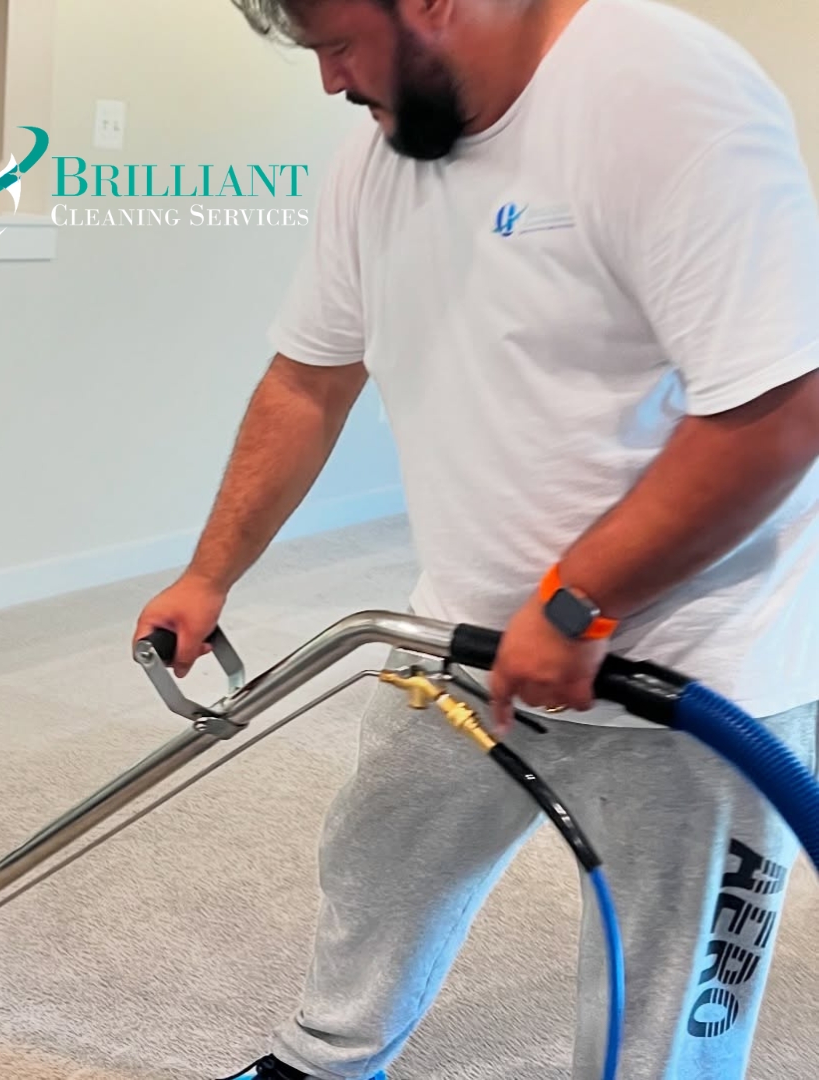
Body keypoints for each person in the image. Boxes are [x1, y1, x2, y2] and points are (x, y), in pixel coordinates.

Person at [134, 0, 819, 1076]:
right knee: (379, 860)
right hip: (459, 633)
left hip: (694, 665)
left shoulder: (666, 94)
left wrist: (578, 602)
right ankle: (324, 1061)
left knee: (671, 989)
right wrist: (208, 573)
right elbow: (309, 380)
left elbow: (775, 416)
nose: (329, 82)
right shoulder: (378, 161)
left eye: (338, 44)